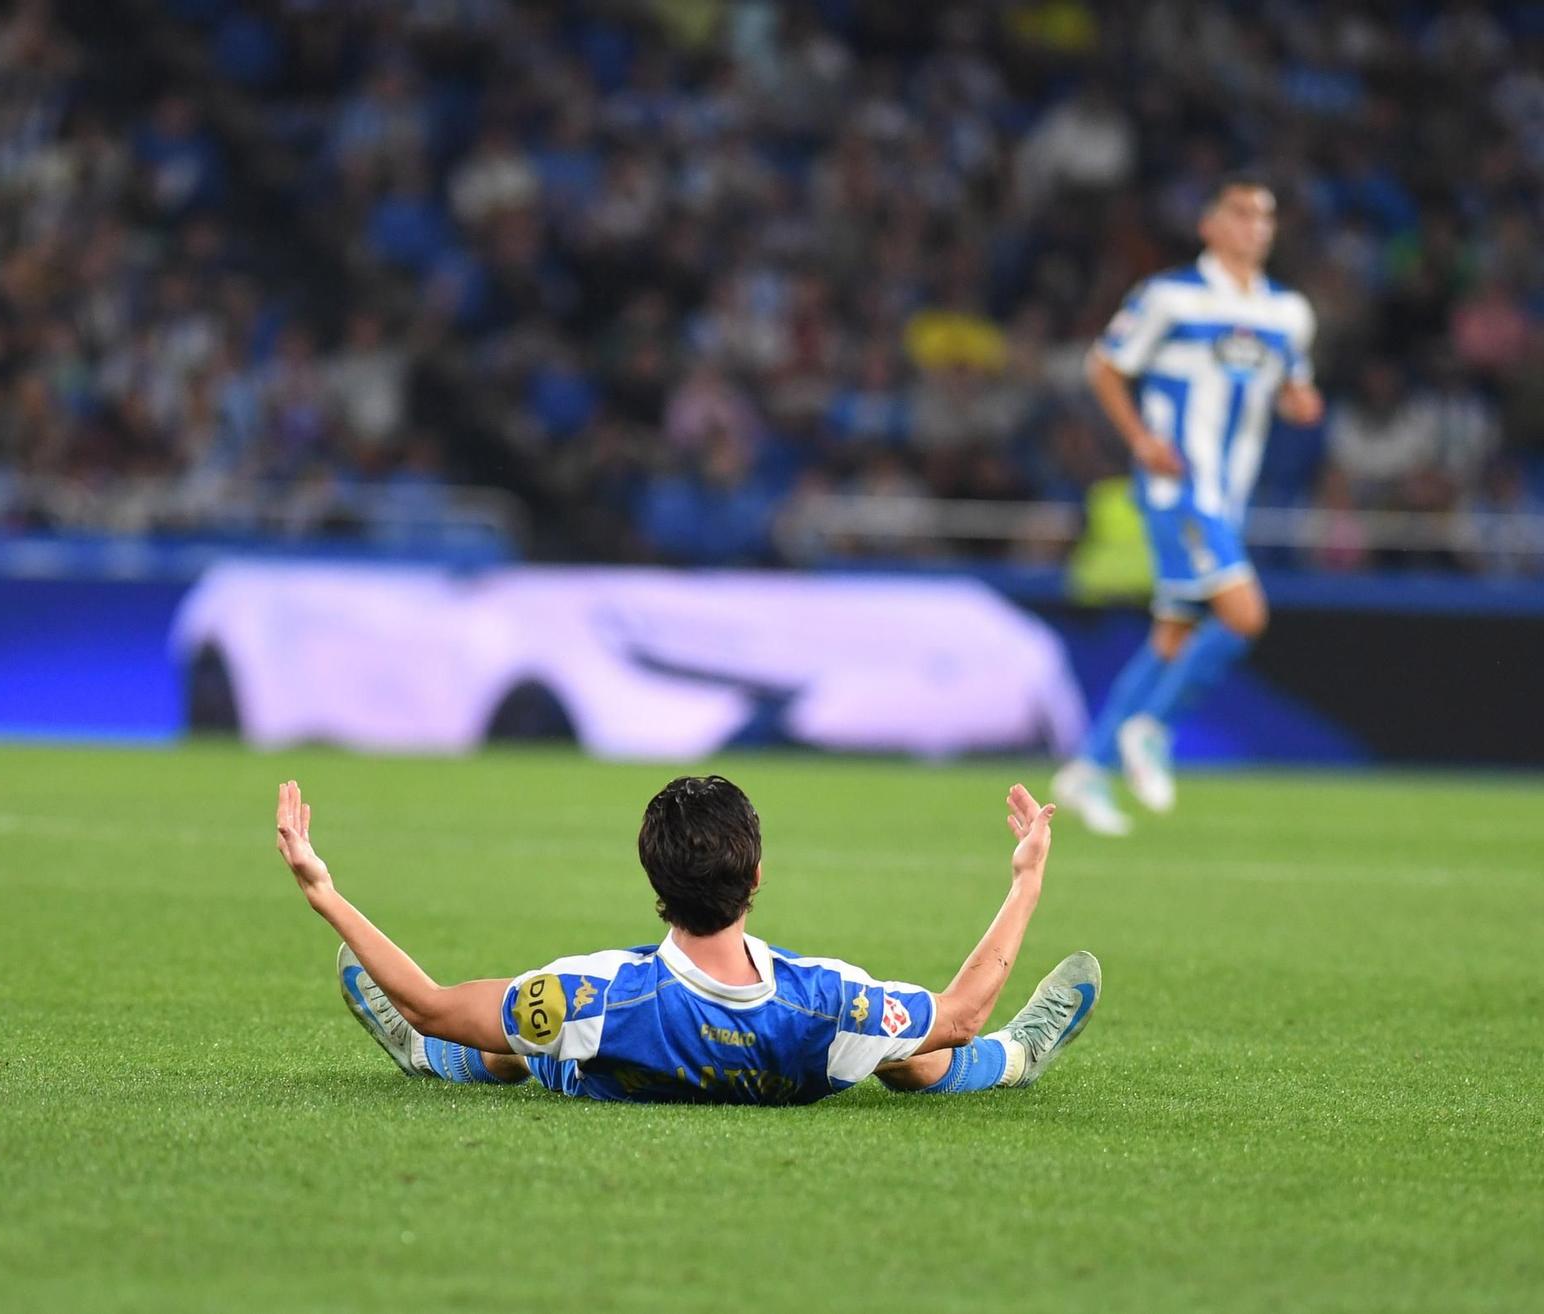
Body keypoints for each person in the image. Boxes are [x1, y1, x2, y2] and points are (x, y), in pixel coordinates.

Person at [274, 774, 1099, 1106]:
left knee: (513, 1036)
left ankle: (429, 1060)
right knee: (909, 1053)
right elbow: (962, 1011)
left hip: (613, 1050)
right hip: (803, 1050)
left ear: (655, 882)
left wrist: (325, 894)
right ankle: (1016, 1058)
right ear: (758, 875)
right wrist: (1026, 878)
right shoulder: (829, 999)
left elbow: (427, 1001)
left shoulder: (595, 995)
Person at [1054, 177, 1324, 834]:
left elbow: (1295, 388)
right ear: (1209, 225)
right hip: (1179, 488)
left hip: (1228, 497)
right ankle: (1150, 727)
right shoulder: (1169, 297)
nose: (1255, 225)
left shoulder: (1289, 313)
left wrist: (1301, 403)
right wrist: (1142, 441)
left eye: (1265, 215)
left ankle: (1087, 769)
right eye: (1241, 213)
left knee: (1173, 637)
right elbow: (1104, 366)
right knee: (1244, 614)